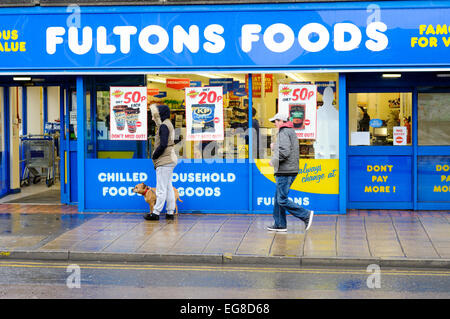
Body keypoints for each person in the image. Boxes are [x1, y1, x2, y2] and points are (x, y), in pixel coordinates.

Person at [268, 112, 314, 232]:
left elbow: (284, 151)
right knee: (278, 198)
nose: (275, 124)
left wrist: (273, 161)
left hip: (285, 170)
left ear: (282, 121)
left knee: (281, 199)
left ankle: (306, 215)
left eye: (276, 121)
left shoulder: (283, 132)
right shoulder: (290, 131)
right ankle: (279, 224)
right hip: (289, 169)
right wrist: (275, 146)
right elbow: (285, 147)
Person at [145, 103, 178, 221]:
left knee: (161, 188)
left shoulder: (163, 126)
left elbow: (163, 144)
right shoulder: (168, 124)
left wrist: (154, 155)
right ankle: (170, 212)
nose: (152, 118)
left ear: (160, 115)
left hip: (165, 160)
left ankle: (156, 213)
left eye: (154, 116)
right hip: (170, 159)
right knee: (168, 187)